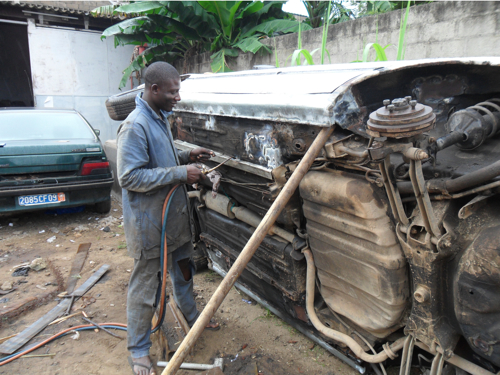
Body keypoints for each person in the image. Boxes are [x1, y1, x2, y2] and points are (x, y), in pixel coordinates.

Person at [117, 61, 218, 375]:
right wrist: (180, 172)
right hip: (150, 227)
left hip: (173, 220)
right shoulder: (135, 125)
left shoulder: (159, 118)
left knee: (184, 274)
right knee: (146, 289)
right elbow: (129, 177)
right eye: (173, 92)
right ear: (154, 89)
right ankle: (138, 351)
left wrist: (188, 156)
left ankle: (192, 319)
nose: (178, 97)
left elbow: (160, 157)